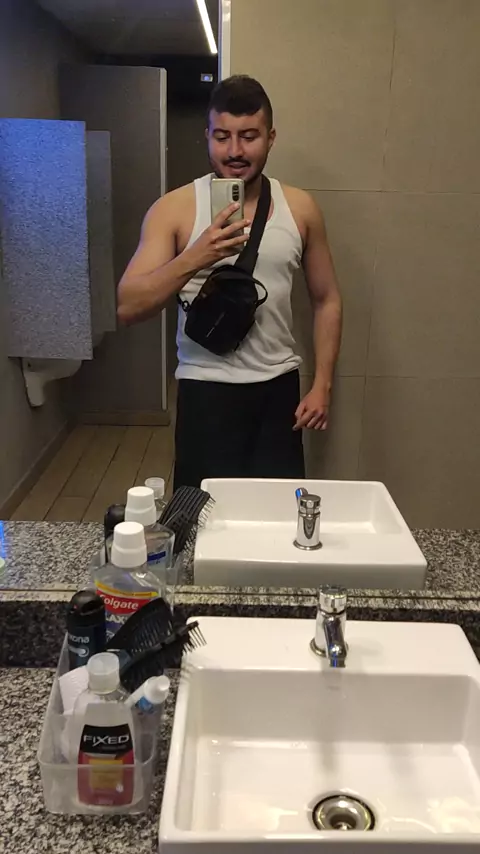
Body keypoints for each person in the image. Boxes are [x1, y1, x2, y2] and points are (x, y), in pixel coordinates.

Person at [118, 75, 342, 489]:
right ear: (207, 136)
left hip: (277, 389)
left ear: (270, 138)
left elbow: (326, 299)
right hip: (204, 388)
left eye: (249, 136)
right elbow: (129, 305)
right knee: (202, 515)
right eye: (222, 137)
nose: (235, 151)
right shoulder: (174, 209)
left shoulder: (300, 208)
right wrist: (196, 256)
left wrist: (322, 385)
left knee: (275, 515)